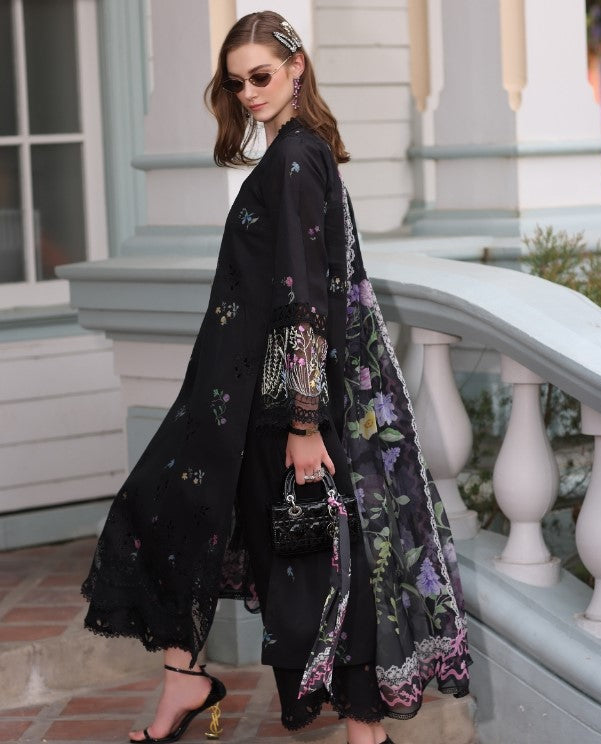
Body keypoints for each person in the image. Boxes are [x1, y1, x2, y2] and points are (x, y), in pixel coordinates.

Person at [80, 10, 472, 744]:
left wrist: (302, 423)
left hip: (277, 403)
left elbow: (303, 299)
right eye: (237, 83)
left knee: (317, 563)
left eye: (261, 76)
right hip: (236, 397)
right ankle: (186, 679)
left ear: (297, 67)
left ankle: (363, 733)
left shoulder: (294, 159)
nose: (249, 93)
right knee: (179, 516)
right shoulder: (296, 154)